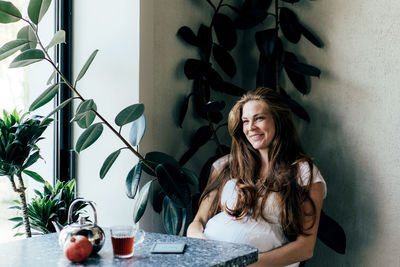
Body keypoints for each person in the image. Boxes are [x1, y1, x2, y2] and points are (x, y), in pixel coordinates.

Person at [186, 87, 327, 267]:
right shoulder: (226, 166)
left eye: (259, 118)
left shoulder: (303, 172)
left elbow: (305, 247)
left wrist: (245, 264)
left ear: (278, 120)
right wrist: (203, 245)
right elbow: (197, 222)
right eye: (245, 121)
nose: (250, 127)